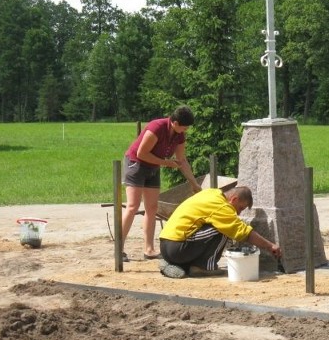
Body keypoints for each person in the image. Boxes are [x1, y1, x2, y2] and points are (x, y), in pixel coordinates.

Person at [121, 105, 202, 262]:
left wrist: (194, 184)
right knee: (132, 206)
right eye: (184, 127)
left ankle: (149, 249)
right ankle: (119, 249)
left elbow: (181, 160)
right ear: (175, 123)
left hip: (153, 166)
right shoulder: (156, 127)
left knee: (152, 208)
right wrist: (165, 163)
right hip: (136, 164)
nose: (185, 130)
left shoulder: (179, 136)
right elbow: (141, 153)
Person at [157, 186, 282, 279]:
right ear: (234, 199)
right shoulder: (222, 207)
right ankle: (203, 267)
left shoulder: (212, 193)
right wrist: (270, 246)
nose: (238, 213)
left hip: (165, 245)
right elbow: (243, 232)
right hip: (177, 247)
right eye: (240, 208)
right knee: (224, 229)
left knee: (214, 225)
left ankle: (174, 264)